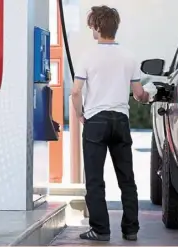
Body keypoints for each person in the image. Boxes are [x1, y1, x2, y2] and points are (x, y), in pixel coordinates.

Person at [70, 5, 155, 242]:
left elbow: (76, 91)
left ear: (97, 27)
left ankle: (100, 229)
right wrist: (149, 93)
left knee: (95, 179)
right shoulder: (129, 56)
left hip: (96, 121)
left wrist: (79, 115)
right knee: (126, 178)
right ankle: (130, 229)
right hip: (120, 121)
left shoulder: (87, 56)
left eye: (92, 27)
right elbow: (138, 94)